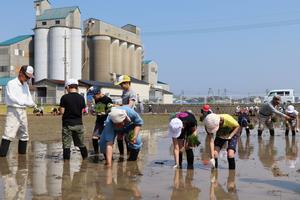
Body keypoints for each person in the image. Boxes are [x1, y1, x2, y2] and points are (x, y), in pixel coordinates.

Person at [0, 65, 37, 157]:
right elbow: (10, 97)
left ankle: (22, 157)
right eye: (27, 76)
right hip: (13, 111)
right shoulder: (11, 83)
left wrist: (33, 105)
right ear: (21, 73)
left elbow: (28, 98)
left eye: (29, 77)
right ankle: (2, 157)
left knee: (24, 134)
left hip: (23, 111)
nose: (28, 79)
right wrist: (22, 102)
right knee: (8, 133)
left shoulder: (25, 85)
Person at [59, 79, 88, 160]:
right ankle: (85, 160)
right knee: (81, 144)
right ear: (76, 87)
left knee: (66, 145)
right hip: (79, 123)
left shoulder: (64, 97)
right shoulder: (81, 98)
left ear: (68, 87)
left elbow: (62, 111)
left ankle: (66, 164)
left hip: (67, 124)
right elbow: (82, 111)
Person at [115, 75, 137, 157]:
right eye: (120, 85)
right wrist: (117, 105)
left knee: (128, 137)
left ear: (128, 83)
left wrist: (119, 107)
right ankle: (121, 154)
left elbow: (130, 105)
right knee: (119, 136)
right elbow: (124, 104)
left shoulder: (132, 93)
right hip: (122, 116)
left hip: (129, 118)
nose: (121, 86)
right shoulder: (124, 92)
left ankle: (129, 154)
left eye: (122, 84)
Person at [90, 86, 113, 154]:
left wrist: (105, 113)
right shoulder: (96, 99)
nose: (93, 98)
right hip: (99, 121)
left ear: (98, 93)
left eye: (94, 96)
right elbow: (98, 110)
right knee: (94, 138)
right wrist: (94, 112)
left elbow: (111, 110)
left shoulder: (107, 99)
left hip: (106, 122)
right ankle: (96, 153)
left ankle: (106, 152)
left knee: (105, 139)